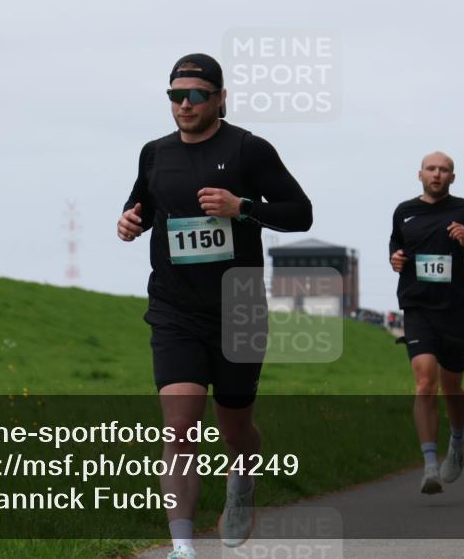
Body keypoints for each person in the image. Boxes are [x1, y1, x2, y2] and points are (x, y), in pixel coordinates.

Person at [119, 53, 313, 558]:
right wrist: (128, 221)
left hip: (239, 305)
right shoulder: (155, 153)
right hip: (174, 309)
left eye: (196, 95)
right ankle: (182, 546)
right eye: (175, 96)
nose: (184, 105)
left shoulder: (249, 150)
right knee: (180, 426)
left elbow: (301, 214)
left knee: (236, 427)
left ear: (220, 98)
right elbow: (140, 203)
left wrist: (242, 207)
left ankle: (242, 480)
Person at [389, 151, 464, 495]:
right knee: (424, 382)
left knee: (453, 388)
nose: (437, 174)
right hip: (417, 307)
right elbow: (397, 247)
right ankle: (430, 466)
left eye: (444, 170)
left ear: (453, 178)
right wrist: (394, 258)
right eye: (431, 169)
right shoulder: (404, 212)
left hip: (454, 311)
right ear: (419, 174)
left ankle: (457, 438)